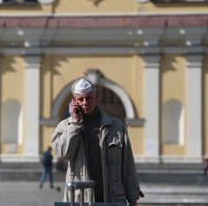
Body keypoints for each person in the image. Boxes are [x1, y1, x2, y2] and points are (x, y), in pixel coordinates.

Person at [51, 77, 141, 205]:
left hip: (113, 199)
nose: (85, 103)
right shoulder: (64, 127)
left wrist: (133, 199)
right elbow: (64, 154)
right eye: (80, 99)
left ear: (96, 96)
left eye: (88, 98)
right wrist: (75, 124)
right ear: (74, 101)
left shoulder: (116, 126)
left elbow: (128, 165)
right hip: (81, 200)